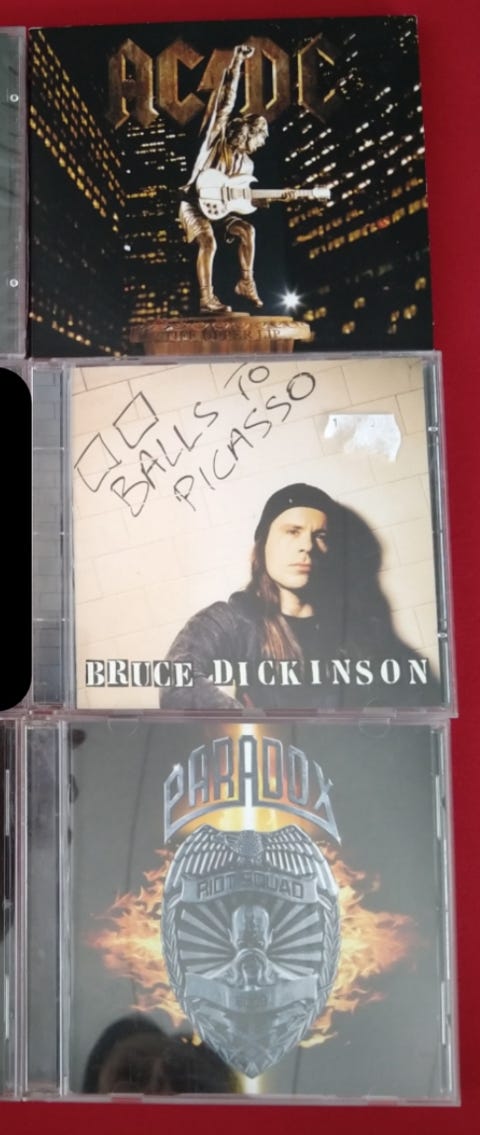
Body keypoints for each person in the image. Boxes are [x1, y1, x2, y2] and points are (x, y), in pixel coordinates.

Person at [160, 482, 439, 711]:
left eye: (320, 535)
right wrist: (253, 726)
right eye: (292, 532)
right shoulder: (236, 619)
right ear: (263, 545)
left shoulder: (357, 627)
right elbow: (176, 678)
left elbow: (413, 705)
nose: (307, 545)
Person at [179, 43, 269, 314]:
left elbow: (237, 199)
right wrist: (237, 63)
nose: (261, 143)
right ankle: (206, 299)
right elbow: (225, 102)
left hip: (221, 210)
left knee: (248, 231)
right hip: (194, 203)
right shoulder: (214, 141)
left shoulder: (248, 164)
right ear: (249, 133)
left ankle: (246, 282)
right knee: (208, 243)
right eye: (260, 137)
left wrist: (256, 201)